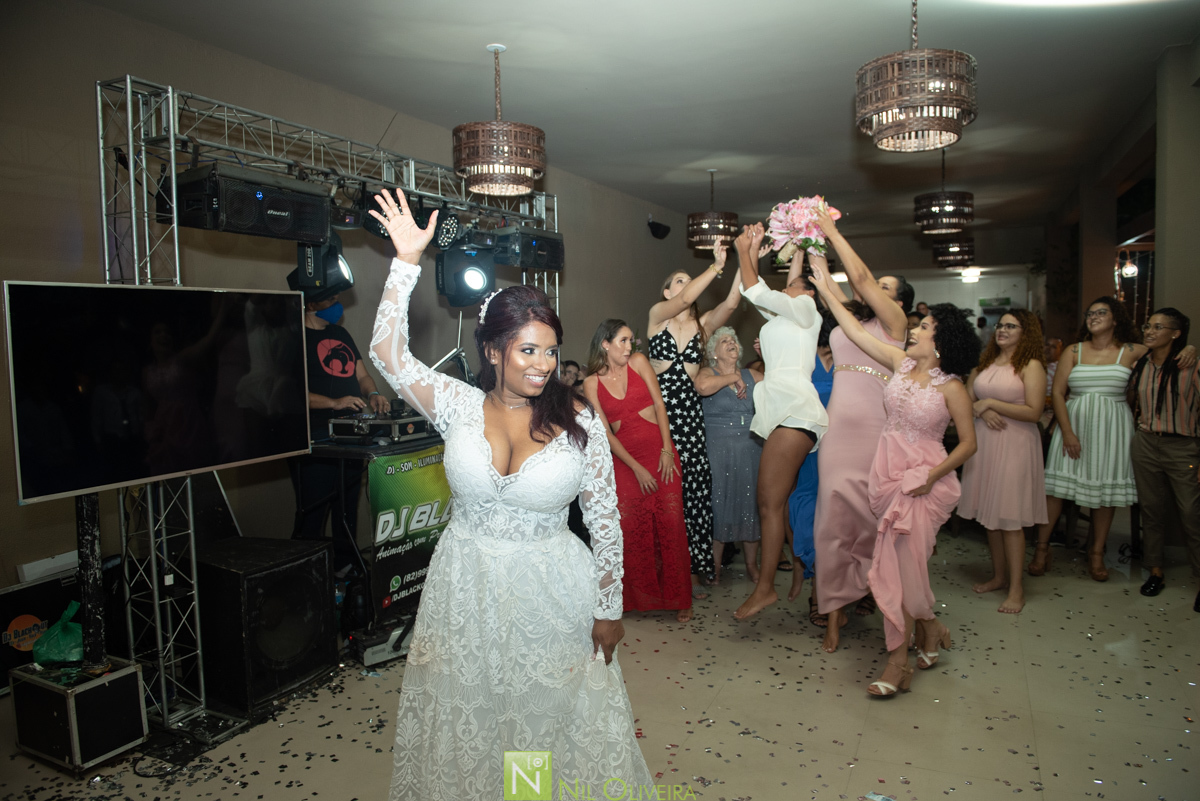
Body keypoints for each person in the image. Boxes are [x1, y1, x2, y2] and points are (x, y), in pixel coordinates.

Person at [366, 190, 652, 799]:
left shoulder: (581, 422)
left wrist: (609, 608)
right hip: (464, 587)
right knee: (474, 718)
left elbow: (604, 517)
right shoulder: (457, 407)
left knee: (538, 724)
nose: (545, 363)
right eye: (529, 350)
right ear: (494, 351)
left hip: (551, 593)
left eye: (551, 350)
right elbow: (387, 353)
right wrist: (405, 264)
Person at [811, 259, 979, 696]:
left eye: (925, 326)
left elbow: (968, 445)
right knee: (896, 567)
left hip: (923, 478)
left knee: (900, 569)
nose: (917, 329)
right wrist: (826, 289)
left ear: (940, 341)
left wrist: (929, 476)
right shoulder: (901, 364)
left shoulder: (952, 387)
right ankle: (931, 626)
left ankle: (897, 663)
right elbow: (855, 329)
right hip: (887, 471)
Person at [1032, 298, 1195, 581]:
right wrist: (1067, 431)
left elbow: (1167, 349)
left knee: (1104, 493)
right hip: (1074, 424)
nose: (1093, 316)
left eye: (1101, 312)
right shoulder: (1074, 350)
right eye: (1090, 313)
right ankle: (1041, 550)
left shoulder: (1133, 351)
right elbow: (1058, 393)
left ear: (1115, 319)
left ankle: (1096, 554)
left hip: (1112, 429)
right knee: (1055, 490)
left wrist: (1190, 347)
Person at [810, 207, 913, 651]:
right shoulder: (848, 318)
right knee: (830, 521)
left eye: (887, 289)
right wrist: (810, 236)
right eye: (877, 286)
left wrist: (833, 231)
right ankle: (833, 612)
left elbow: (863, 279)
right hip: (838, 431)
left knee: (876, 522)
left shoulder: (895, 326)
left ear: (899, 302)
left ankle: (876, 593)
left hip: (878, 431)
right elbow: (832, 282)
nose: (872, 288)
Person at [731, 223, 826, 620]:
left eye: (792, 284)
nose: (784, 287)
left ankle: (765, 588)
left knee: (769, 504)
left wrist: (743, 250)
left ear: (808, 292)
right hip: (787, 414)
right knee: (773, 504)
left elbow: (755, 290)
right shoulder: (787, 318)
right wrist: (759, 249)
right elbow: (760, 295)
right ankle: (773, 581)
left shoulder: (806, 308)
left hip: (795, 412)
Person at [647, 247, 743, 596]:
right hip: (658, 415)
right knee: (662, 489)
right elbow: (690, 295)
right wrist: (714, 267)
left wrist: (744, 260)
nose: (688, 286)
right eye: (680, 281)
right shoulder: (657, 315)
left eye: (691, 279)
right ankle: (660, 566)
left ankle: (694, 567)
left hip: (689, 416)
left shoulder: (701, 328)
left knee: (694, 492)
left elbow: (731, 303)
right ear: (668, 292)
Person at [583, 320, 693, 622]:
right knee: (632, 531)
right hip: (626, 463)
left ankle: (681, 597)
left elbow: (660, 405)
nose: (630, 347)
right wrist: (636, 468)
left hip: (661, 456)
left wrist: (668, 450)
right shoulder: (591, 383)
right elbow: (606, 434)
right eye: (623, 340)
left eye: (631, 340)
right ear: (605, 344)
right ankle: (639, 599)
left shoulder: (640, 363)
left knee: (670, 525)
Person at [290, 288, 390, 569]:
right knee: (314, 511)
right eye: (330, 300)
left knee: (346, 510)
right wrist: (335, 402)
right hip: (316, 438)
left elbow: (362, 375)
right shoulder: (294, 338)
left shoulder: (340, 334)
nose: (338, 305)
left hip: (351, 436)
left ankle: (346, 568)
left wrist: (372, 394)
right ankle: (309, 574)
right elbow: (292, 393)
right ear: (310, 303)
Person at [960, 310, 1048, 613]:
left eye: (1011, 326)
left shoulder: (1030, 365)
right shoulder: (986, 363)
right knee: (991, 515)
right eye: (1000, 325)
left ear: (1027, 332)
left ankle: (1016, 589)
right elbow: (967, 398)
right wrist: (981, 409)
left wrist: (992, 403)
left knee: (1009, 518)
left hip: (1016, 444)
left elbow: (1035, 412)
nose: (1002, 330)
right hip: (985, 442)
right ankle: (998, 577)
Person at [1127, 308, 1199, 612]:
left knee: (1191, 514)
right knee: (1151, 511)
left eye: (1159, 327)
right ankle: (1155, 571)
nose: (1150, 331)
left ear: (1176, 334)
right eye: (1148, 325)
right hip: (1146, 443)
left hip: (1183, 446)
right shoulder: (1141, 364)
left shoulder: (1190, 365)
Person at [696, 327, 764, 583]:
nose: (731, 342)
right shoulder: (707, 372)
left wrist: (763, 359)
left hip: (752, 447)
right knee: (718, 503)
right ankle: (714, 566)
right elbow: (702, 387)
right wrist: (731, 378)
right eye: (724, 340)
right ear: (714, 352)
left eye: (733, 339)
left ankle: (751, 565)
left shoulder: (754, 375)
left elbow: (779, 385)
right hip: (718, 449)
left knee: (751, 505)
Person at [787, 308, 837, 626]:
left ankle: (851, 593)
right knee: (807, 513)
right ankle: (817, 594)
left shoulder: (851, 358)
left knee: (841, 520)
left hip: (845, 447)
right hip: (810, 447)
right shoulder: (803, 357)